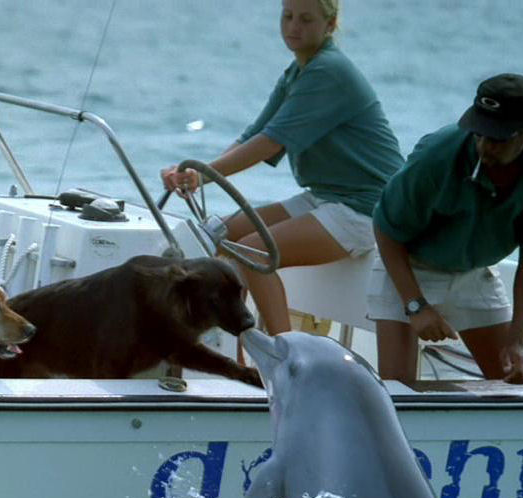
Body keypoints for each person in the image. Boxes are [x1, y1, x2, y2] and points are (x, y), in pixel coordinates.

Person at [161, 0, 403, 334]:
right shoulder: (297, 72)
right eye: (287, 17)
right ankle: (238, 360)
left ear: (330, 25)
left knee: (252, 252)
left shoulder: (328, 71)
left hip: (364, 207)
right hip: (325, 196)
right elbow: (253, 135)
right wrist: (198, 173)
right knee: (225, 237)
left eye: (306, 19)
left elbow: (269, 144)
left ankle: (284, 358)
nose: (293, 27)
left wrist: (202, 176)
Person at [367, 73, 523, 384]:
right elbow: (385, 229)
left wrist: (518, 341)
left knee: (513, 383)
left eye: (499, 138)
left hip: (474, 273)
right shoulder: (436, 157)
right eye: (480, 133)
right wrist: (416, 305)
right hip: (408, 268)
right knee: (398, 394)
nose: (485, 146)